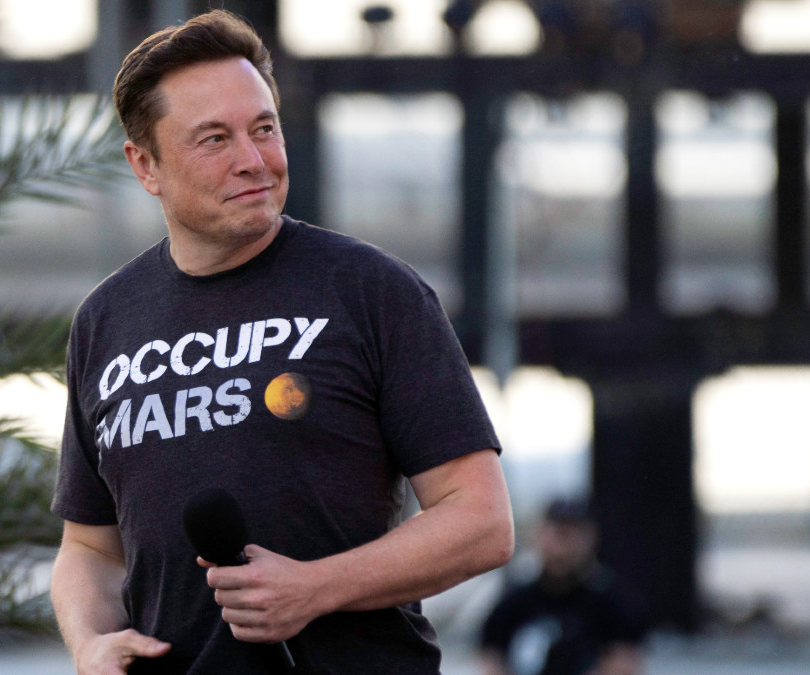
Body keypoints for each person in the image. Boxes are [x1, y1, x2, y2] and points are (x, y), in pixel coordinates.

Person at [49, 9, 514, 674]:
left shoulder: (370, 291)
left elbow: (480, 522)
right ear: (145, 165)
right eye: (214, 139)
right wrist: (91, 643)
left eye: (263, 128)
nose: (253, 160)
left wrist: (314, 587)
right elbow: (91, 549)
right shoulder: (106, 319)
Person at [478, 496, 650, 675]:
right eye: (557, 533)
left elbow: (624, 663)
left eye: (571, 535)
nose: (562, 547)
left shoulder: (615, 602)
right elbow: (491, 660)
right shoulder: (513, 601)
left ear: (591, 538)